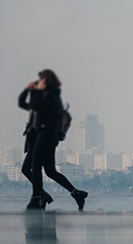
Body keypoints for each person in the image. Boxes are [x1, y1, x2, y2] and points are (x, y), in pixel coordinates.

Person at [19, 70, 87, 210]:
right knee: (49, 170)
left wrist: (35, 91)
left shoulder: (53, 98)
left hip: (47, 135)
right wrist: (27, 90)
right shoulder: (42, 97)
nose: (38, 82)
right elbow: (23, 103)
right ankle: (76, 193)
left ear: (47, 81)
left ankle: (37, 198)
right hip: (39, 136)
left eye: (41, 80)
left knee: (34, 166)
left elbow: (37, 105)